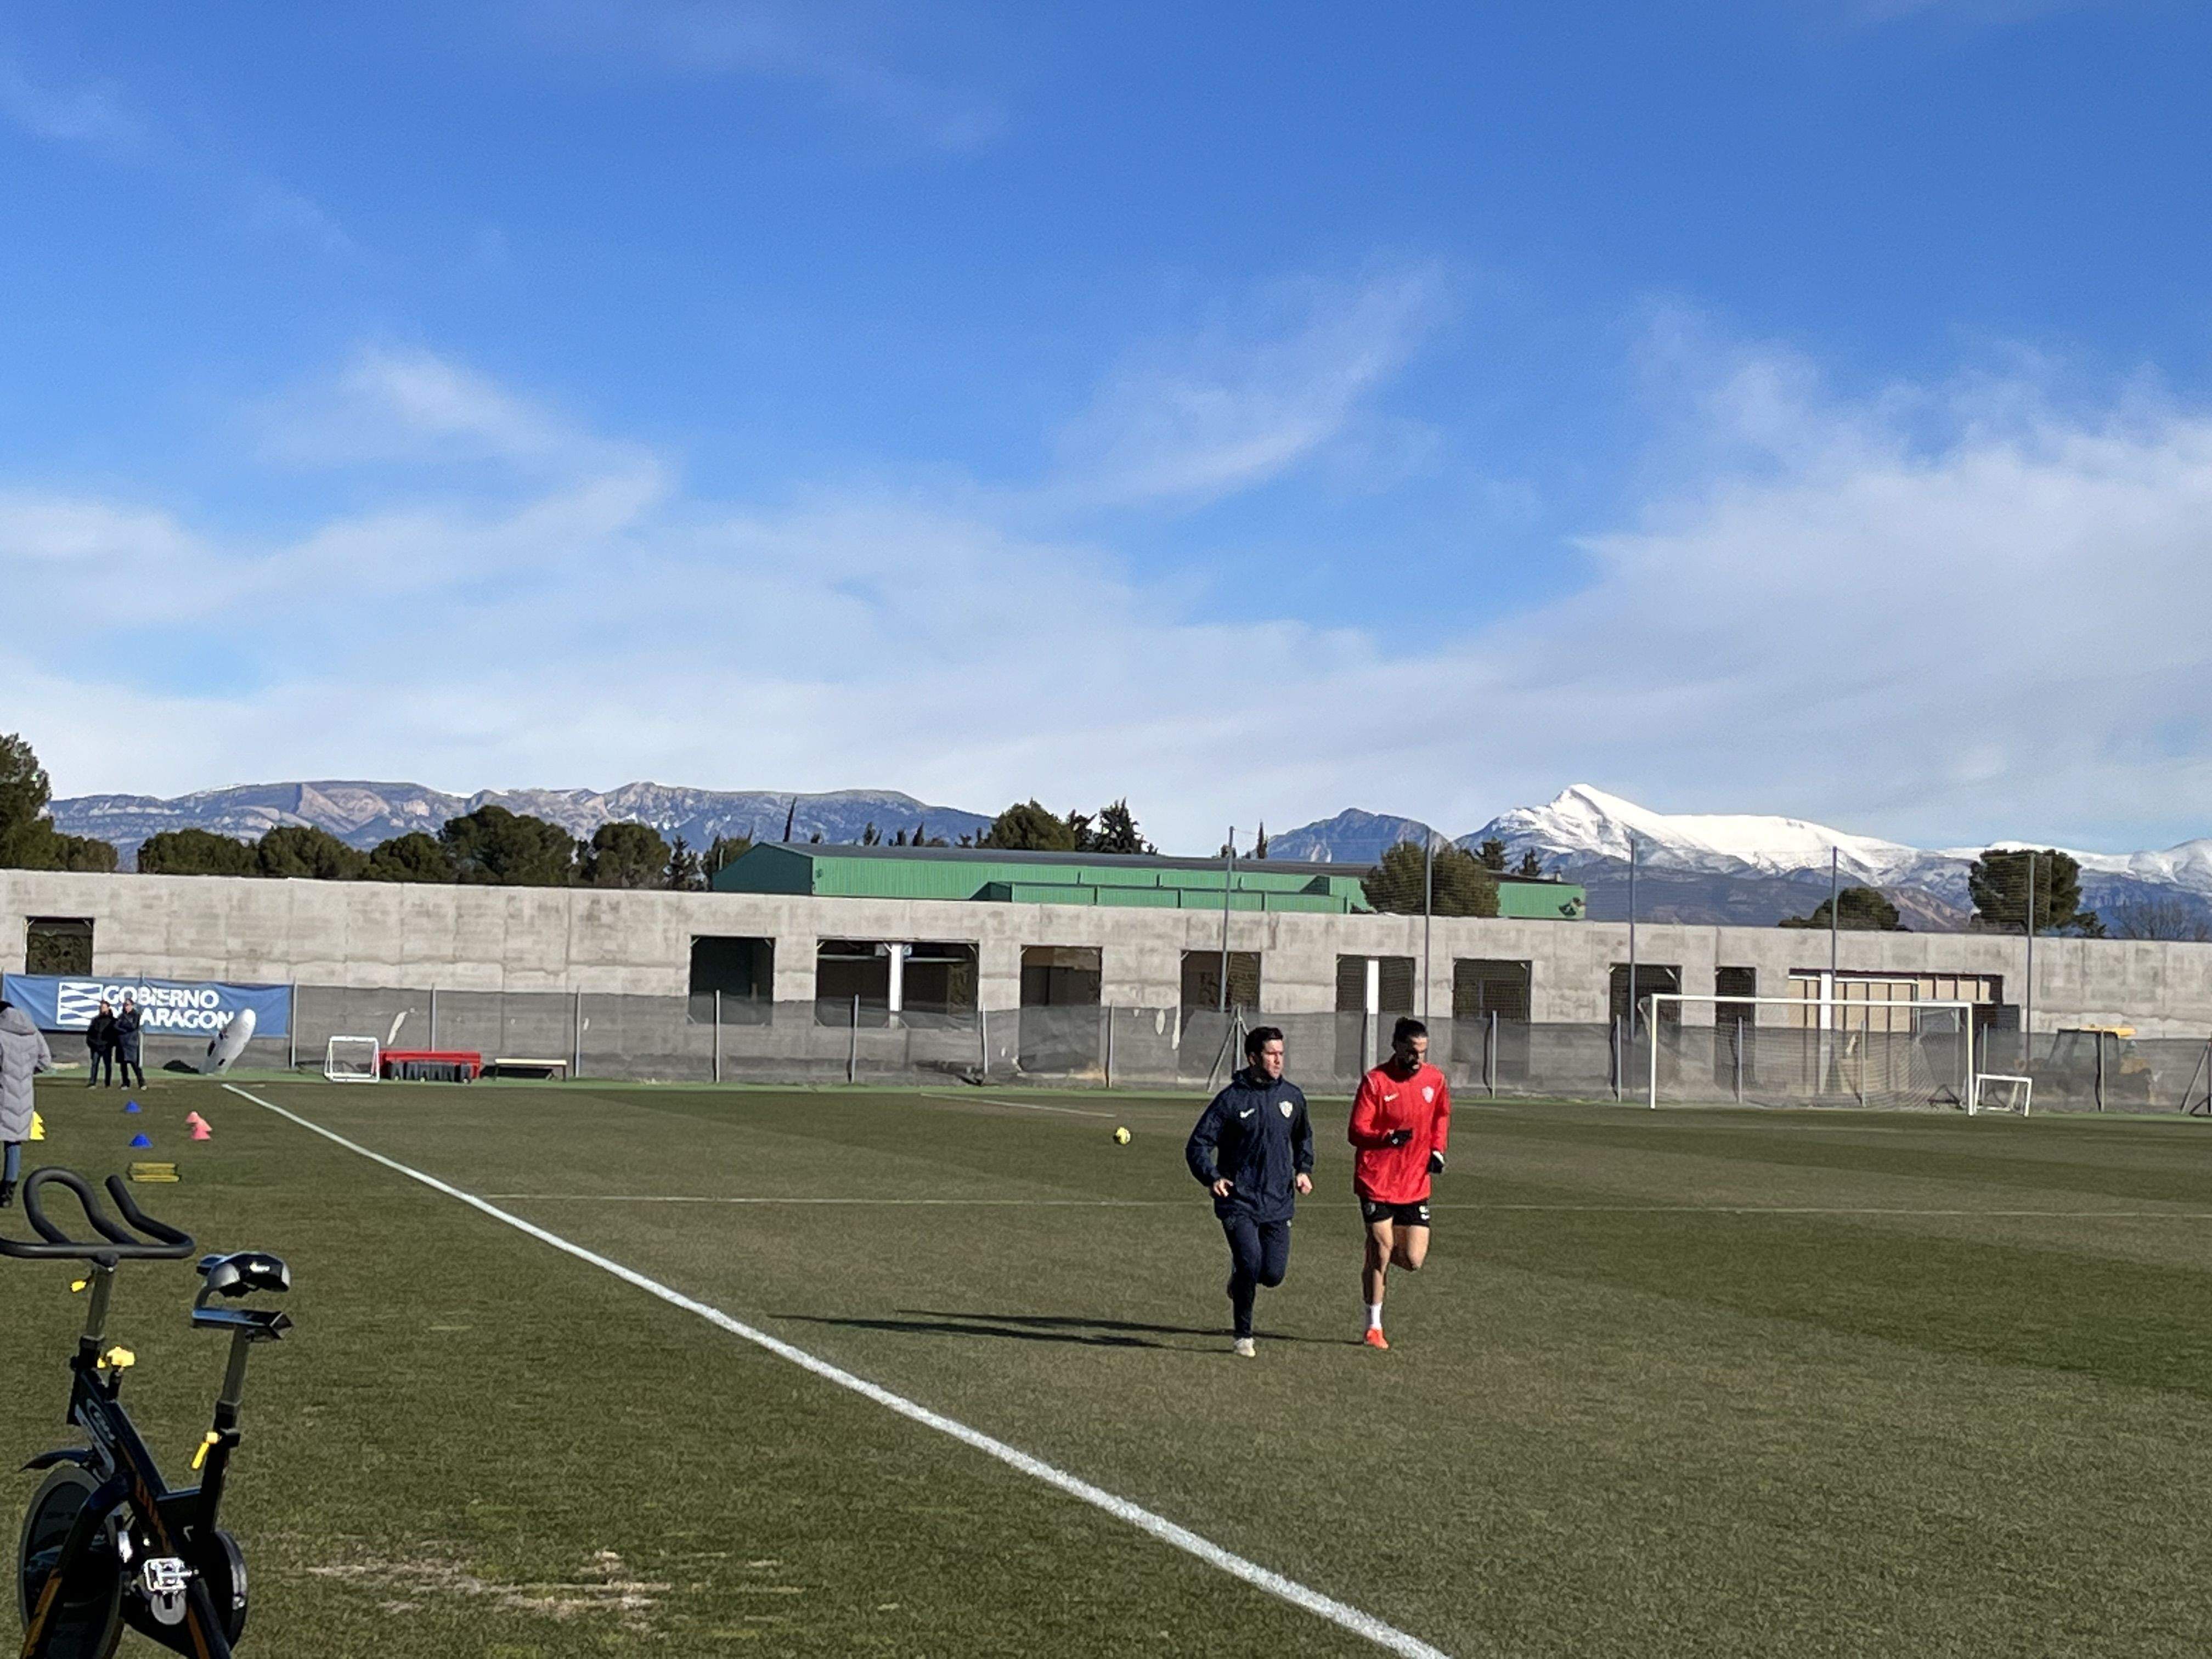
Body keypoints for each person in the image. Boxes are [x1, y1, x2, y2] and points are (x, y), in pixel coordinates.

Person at [1184, 1026, 1313, 1357]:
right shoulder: (1231, 1099)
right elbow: (1198, 1143)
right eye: (1271, 1054)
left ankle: (1240, 1277)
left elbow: (1303, 1138)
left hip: (1278, 1201)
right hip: (1238, 1200)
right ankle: (1243, 1335)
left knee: (1271, 1274)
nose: (1278, 1060)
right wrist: (1211, 1176)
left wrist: (1304, 1170)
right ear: (1253, 1057)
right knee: (1249, 1261)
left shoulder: (1293, 1097)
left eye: (1281, 1054)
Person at [1347, 1016, 1452, 1350]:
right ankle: (1373, 1327)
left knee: (1414, 1260)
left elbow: (1441, 1115)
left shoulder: (1435, 1079)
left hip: (1414, 1183)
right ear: (1396, 1047)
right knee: (1381, 1251)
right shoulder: (1376, 1082)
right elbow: (1356, 1131)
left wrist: (1437, 1149)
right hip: (1376, 1180)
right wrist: (1387, 1138)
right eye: (1411, 1051)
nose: (1417, 1059)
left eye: (1422, 1052)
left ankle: (1378, 1249)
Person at [1, 1000, 54, 1209]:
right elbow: (45, 1062)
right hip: (23, 1095)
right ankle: (7, 1192)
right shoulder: (33, 1033)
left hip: (2, 1090)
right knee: (13, 1143)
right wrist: (25, 1074)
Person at [114, 995, 146, 1090]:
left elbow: (133, 1027)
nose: (126, 1007)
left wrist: (123, 1027)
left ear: (132, 1005)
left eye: (128, 1005)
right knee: (123, 1066)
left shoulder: (136, 1015)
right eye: (125, 1005)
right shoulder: (121, 1016)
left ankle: (142, 1083)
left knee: (135, 1065)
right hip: (121, 1044)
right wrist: (124, 1029)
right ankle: (125, 1083)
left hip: (131, 1044)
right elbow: (116, 1027)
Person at [84, 1000, 118, 1089]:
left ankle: (108, 1084)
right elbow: (90, 1034)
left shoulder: (113, 1021)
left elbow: (115, 1035)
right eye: (101, 1007)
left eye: (104, 1007)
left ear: (108, 1008)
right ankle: (92, 1082)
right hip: (96, 1047)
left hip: (107, 1047)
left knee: (108, 1065)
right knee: (95, 1064)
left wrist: (110, 1044)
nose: (102, 1009)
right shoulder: (95, 1020)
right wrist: (92, 1044)